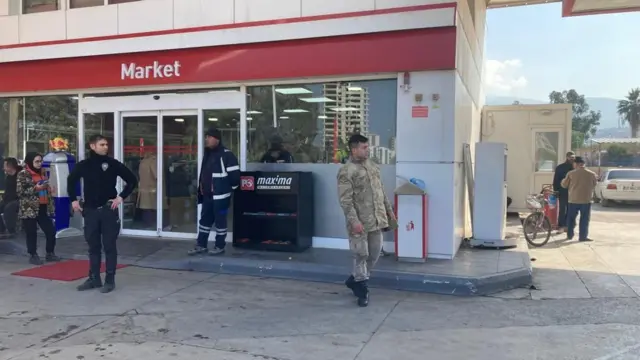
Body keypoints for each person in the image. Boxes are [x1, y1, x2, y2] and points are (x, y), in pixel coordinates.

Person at [67, 135, 138, 293]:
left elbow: (132, 180)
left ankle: (110, 280)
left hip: (108, 210)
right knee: (93, 246)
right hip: (90, 210)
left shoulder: (113, 164)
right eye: (102, 144)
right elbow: (71, 181)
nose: (106, 147)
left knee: (109, 246)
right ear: (93, 146)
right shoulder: (84, 165)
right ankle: (94, 278)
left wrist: (121, 197)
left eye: (107, 144)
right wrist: (74, 200)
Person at [337, 134, 397, 307]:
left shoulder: (372, 166)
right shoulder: (346, 171)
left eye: (367, 147)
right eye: (364, 147)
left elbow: (381, 192)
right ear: (354, 149)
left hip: (376, 220)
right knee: (361, 255)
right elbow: (345, 200)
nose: (367, 150)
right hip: (359, 222)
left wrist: (389, 213)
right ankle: (362, 290)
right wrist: (354, 221)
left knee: (375, 253)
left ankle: (355, 279)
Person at [188, 128, 240, 256]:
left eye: (209, 137)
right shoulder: (208, 154)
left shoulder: (227, 155)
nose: (207, 139)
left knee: (220, 221)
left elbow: (235, 177)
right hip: (207, 196)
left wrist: (228, 191)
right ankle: (201, 245)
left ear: (217, 139)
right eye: (206, 137)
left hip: (221, 197)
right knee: (204, 221)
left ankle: (219, 246)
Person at [16, 152, 59, 264]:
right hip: (29, 208)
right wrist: (36, 188)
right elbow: (20, 192)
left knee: (50, 231)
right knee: (31, 232)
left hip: (43, 206)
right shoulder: (23, 174)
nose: (40, 164)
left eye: (41, 161)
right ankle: (33, 254)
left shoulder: (43, 172)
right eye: (37, 161)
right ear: (30, 162)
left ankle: (50, 253)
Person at [561, 156, 597, 242]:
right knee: (584, 219)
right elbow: (594, 185)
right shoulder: (591, 174)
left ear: (575, 164)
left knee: (571, 218)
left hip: (573, 199)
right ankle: (583, 237)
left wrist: (563, 181)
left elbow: (564, 185)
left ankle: (570, 235)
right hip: (586, 200)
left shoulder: (571, 174)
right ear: (583, 164)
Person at [553, 151, 575, 232]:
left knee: (571, 209)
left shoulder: (575, 168)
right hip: (563, 192)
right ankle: (561, 225)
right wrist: (556, 191)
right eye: (571, 157)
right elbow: (556, 180)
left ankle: (568, 225)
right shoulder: (560, 167)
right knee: (562, 209)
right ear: (567, 157)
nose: (572, 159)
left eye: (573, 158)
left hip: (573, 192)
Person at [0, 157, 21, 237]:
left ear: (10, 166)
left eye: (4, 166)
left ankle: (12, 231)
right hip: (9, 199)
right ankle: (1, 229)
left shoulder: (20, 176)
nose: (3, 168)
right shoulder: (8, 177)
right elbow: (8, 191)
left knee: (9, 208)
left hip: (19, 199)